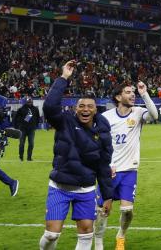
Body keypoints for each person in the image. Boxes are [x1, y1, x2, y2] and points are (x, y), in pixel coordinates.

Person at [39, 60, 114, 250]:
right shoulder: (64, 122)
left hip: (86, 190)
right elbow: (49, 107)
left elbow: (104, 166)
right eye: (81, 106)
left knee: (86, 233)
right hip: (59, 187)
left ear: (96, 110)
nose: (85, 109)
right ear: (75, 109)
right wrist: (64, 77)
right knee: (51, 235)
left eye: (90, 106)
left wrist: (107, 195)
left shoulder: (103, 132)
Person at [94, 80, 160, 250]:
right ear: (118, 96)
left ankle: (121, 235)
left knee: (127, 211)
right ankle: (99, 242)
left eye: (133, 92)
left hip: (130, 170)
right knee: (103, 210)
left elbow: (155, 115)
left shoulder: (138, 112)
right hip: (109, 171)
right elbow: (100, 144)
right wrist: (108, 164)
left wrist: (144, 93)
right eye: (128, 92)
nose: (132, 95)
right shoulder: (106, 117)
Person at [14, 96, 39, 161]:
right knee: (21, 144)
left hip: (31, 129)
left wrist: (35, 125)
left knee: (31, 144)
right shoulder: (21, 109)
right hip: (22, 129)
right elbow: (16, 118)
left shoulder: (35, 109)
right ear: (26, 102)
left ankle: (29, 158)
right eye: (28, 102)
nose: (30, 103)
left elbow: (38, 118)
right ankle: (21, 157)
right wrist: (17, 127)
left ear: (32, 102)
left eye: (31, 102)